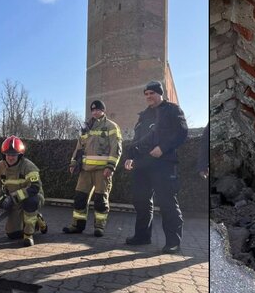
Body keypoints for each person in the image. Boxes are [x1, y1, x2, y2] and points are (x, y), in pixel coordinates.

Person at [124, 80, 188, 253]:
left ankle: (173, 242)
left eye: (152, 93)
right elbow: (136, 139)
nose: (149, 97)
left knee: (167, 202)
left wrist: (163, 148)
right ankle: (142, 236)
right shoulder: (143, 116)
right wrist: (130, 156)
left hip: (164, 164)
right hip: (142, 165)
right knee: (141, 201)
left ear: (160, 93)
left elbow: (182, 133)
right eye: (146, 94)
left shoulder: (173, 110)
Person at [63, 100, 122, 237]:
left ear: (103, 110)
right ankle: (77, 225)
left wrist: (111, 167)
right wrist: (73, 163)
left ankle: (99, 227)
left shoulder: (111, 126)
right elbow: (79, 147)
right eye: (93, 110)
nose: (95, 112)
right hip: (85, 170)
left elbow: (116, 148)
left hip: (103, 170)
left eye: (98, 110)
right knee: (79, 198)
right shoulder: (86, 127)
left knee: (101, 200)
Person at [0, 135, 47, 247]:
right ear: (4, 154)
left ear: (20, 155)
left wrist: (13, 197)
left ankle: (29, 235)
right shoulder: (0, 166)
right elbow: (0, 185)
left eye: (14, 154)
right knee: (12, 235)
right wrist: (2, 198)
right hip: (14, 200)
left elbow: (35, 188)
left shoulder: (28, 166)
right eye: (8, 154)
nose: (10, 157)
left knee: (30, 203)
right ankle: (37, 219)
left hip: (32, 196)